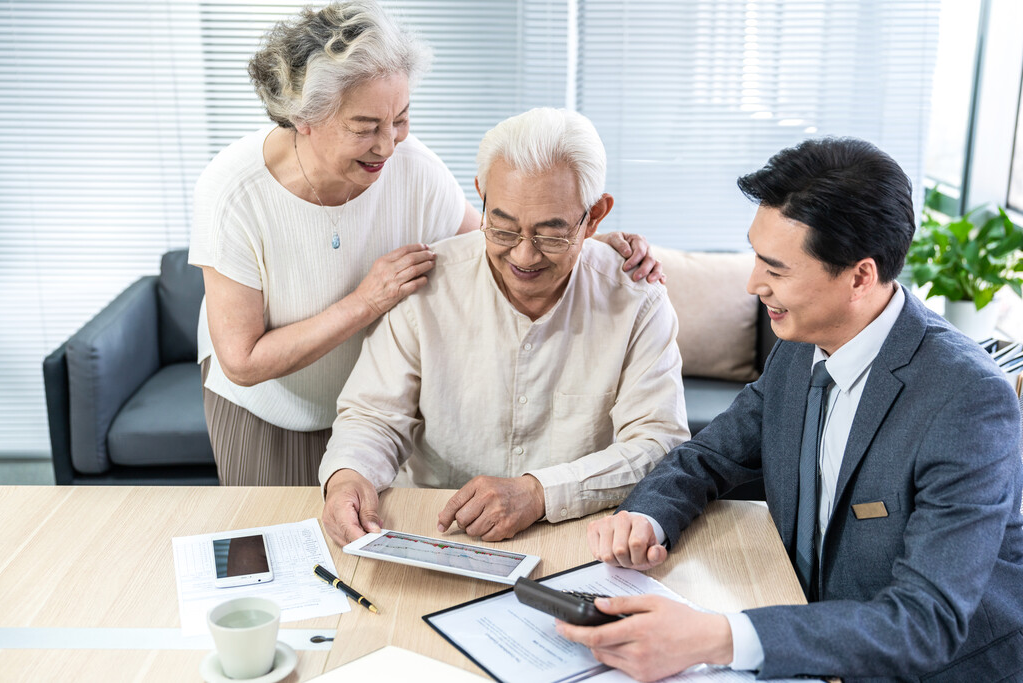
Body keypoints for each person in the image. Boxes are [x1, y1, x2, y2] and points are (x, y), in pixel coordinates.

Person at [557, 137, 1023, 682]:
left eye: (775, 269)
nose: (754, 284)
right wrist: (646, 519)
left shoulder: (969, 402)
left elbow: (925, 624)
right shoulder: (802, 346)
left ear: (860, 276)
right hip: (804, 636)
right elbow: (708, 456)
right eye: (756, 256)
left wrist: (715, 636)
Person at [188, 1, 662, 486]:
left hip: (371, 411)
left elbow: (491, 246)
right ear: (303, 116)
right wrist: (367, 301)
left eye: (401, 118)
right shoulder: (234, 193)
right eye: (366, 127)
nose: (389, 144)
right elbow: (243, 362)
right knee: (271, 550)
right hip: (270, 405)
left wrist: (580, 239)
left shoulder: (413, 169)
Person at [319, 108, 689, 546]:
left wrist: (539, 493)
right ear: (480, 197)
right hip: (438, 528)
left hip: (578, 532)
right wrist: (348, 477)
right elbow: (373, 416)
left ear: (594, 217)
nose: (524, 256)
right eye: (503, 227)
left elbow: (658, 442)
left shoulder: (637, 297)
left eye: (552, 235)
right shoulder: (425, 285)